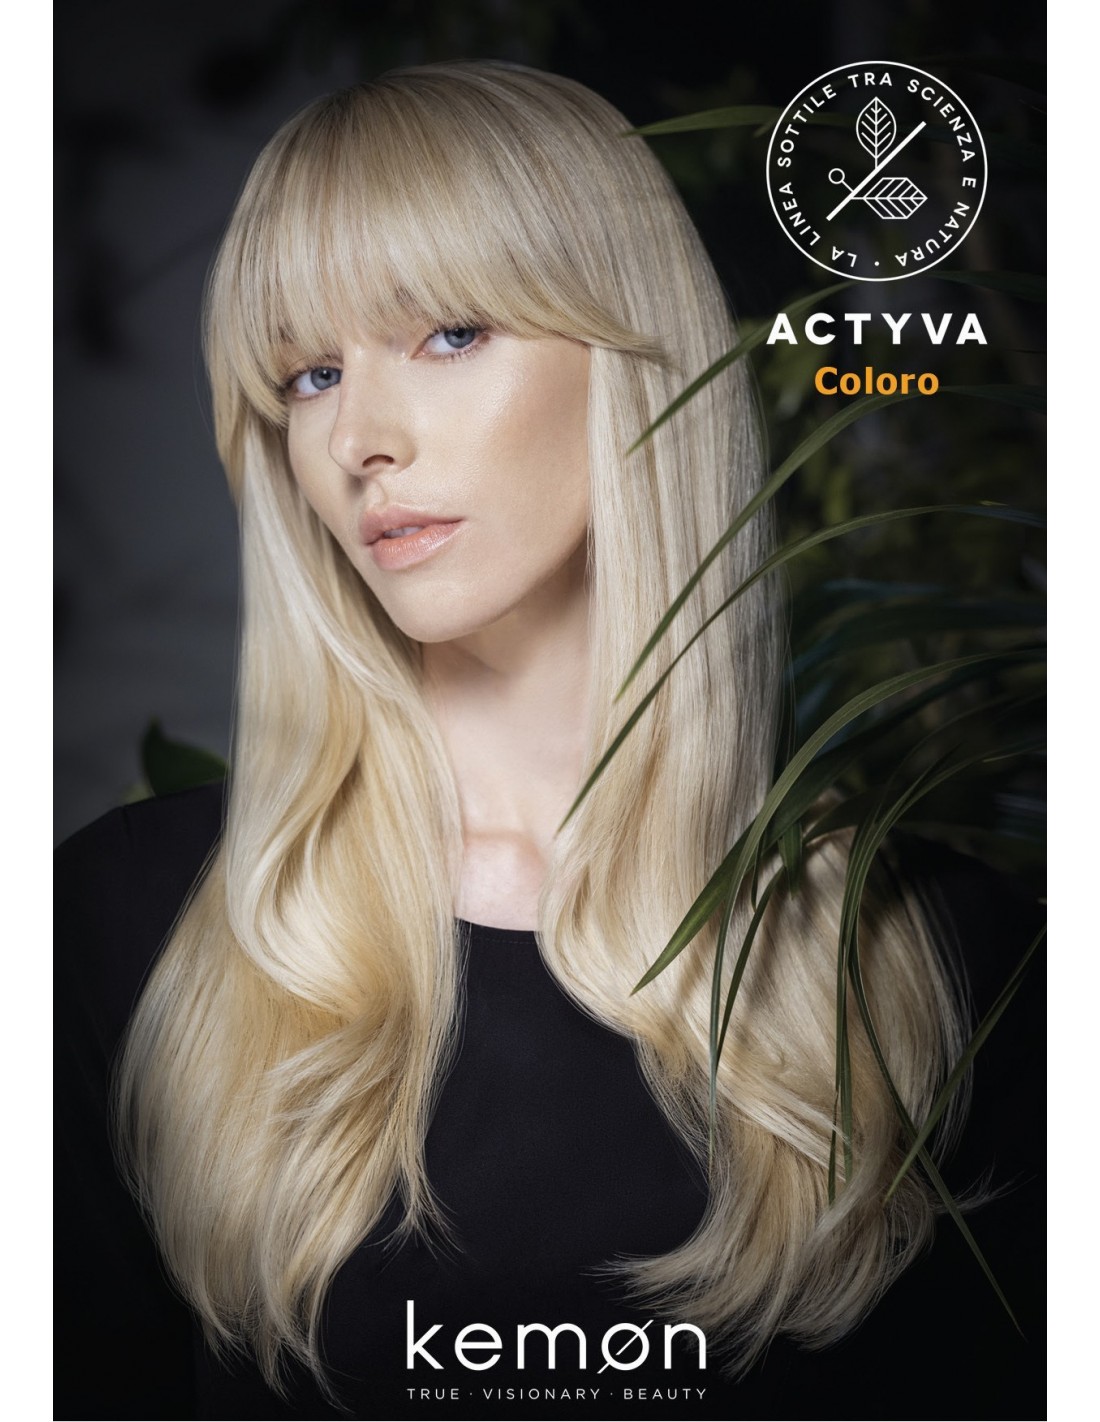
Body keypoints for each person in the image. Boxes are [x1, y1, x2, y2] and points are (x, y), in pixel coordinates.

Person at [55, 61, 1043, 1421]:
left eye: (450, 333)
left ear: (630, 356)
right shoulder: (122, 923)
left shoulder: (947, 949)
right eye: (310, 374)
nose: (359, 440)